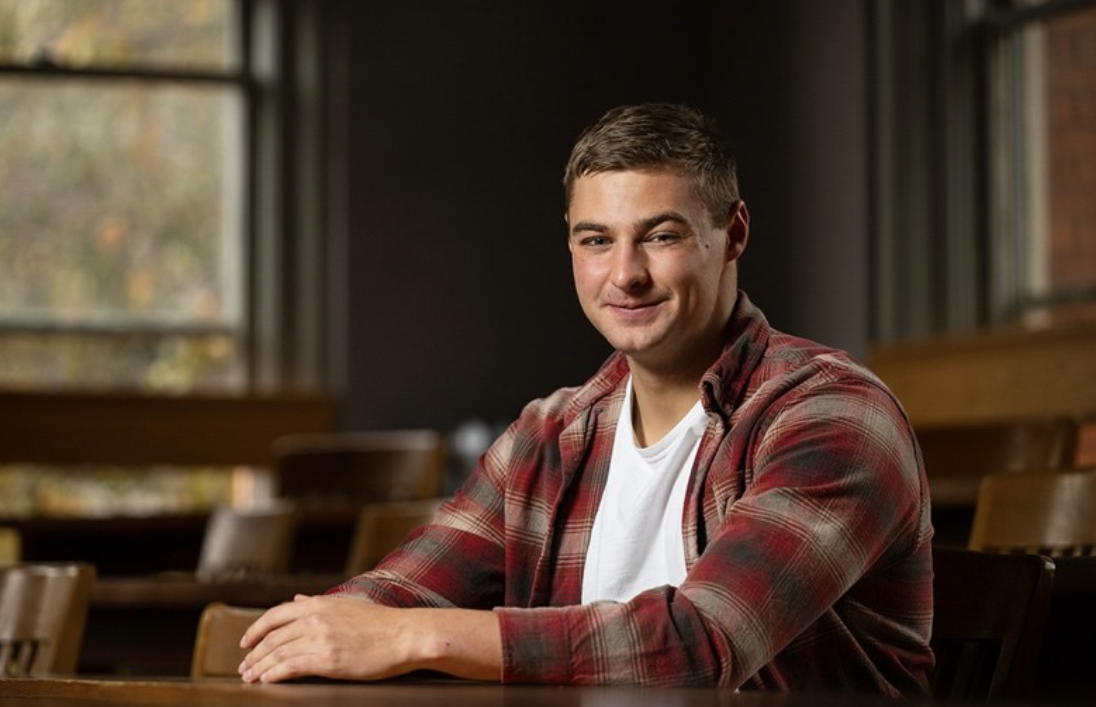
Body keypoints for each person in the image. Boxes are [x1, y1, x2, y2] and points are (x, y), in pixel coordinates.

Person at [239, 102, 934, 694]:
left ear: (734, 235)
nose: (625, 274)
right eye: (596, 240)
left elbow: (702, 647)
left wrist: (417, 638)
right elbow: (394, 597)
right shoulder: (550, 435)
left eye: (660, 236)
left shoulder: (833, 414)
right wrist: (318, 637)